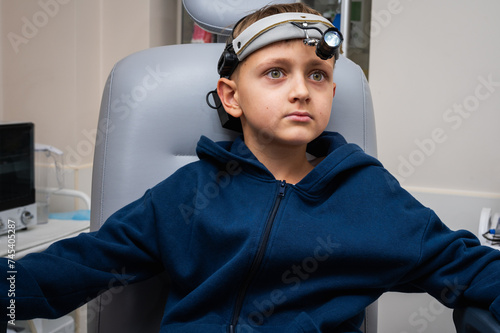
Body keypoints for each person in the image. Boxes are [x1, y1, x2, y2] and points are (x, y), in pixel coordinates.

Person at [2, 3, 500, 332]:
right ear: (231, 96)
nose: (302, 89)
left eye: (319, 75)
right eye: (276, 73)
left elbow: (468, 267)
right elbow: (73, 268)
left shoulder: (370, 194)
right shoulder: (188, 194)